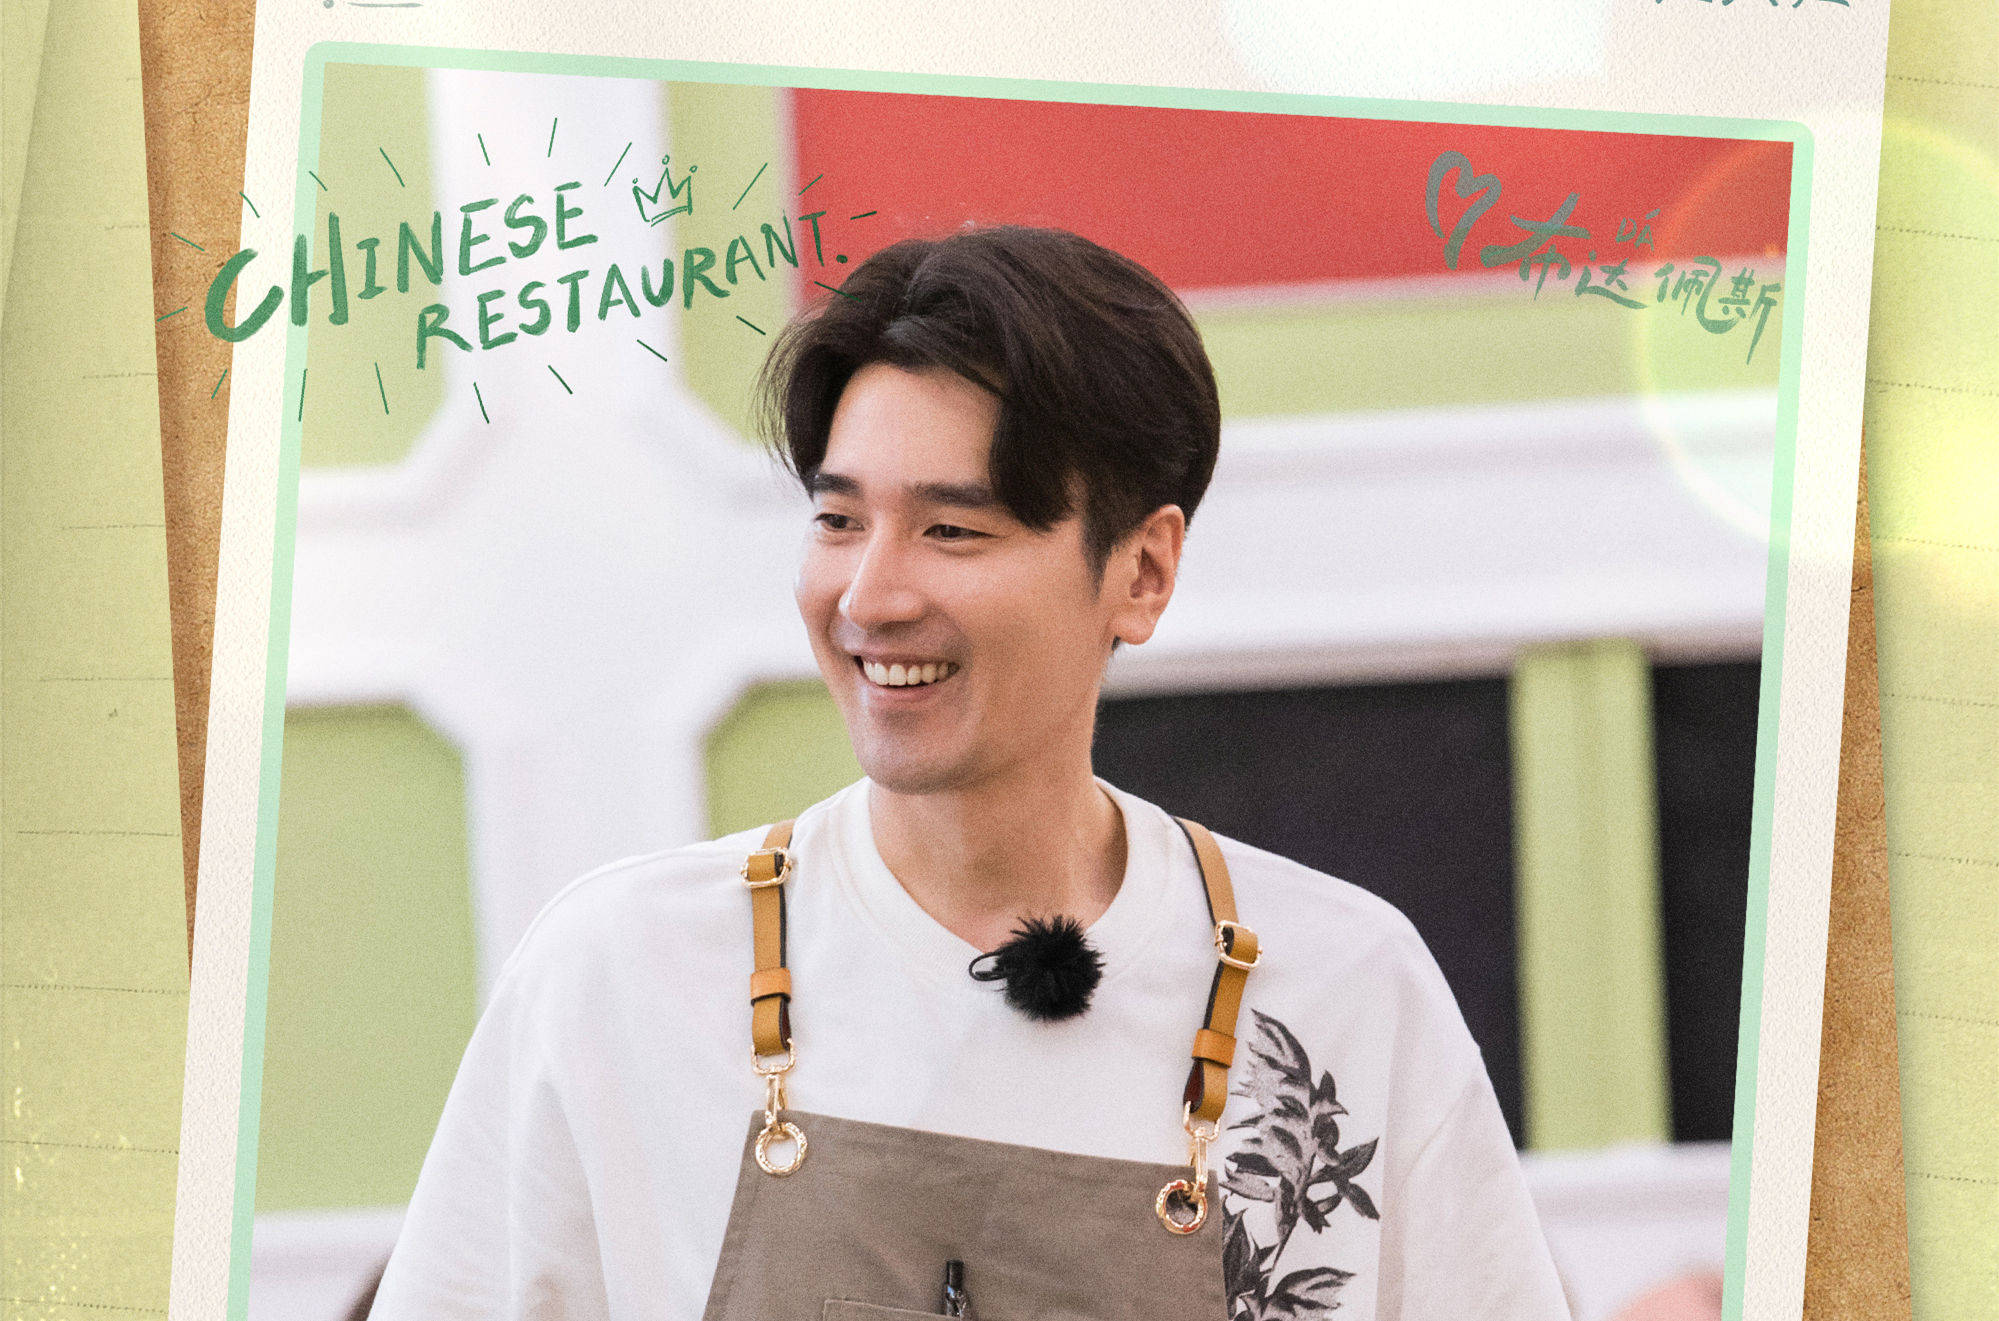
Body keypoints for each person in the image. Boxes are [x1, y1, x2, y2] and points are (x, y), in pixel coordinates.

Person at [368, 225, 1570, 1321]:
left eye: (952, 528)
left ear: (1142, 572)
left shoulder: (1344, 993)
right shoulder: (619, 977)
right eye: (839, 520)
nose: (871, 595)